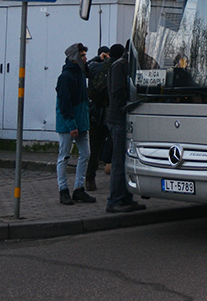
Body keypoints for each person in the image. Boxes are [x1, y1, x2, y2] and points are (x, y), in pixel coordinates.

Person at [106, 42, 146, 214]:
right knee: (119, 161)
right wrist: (131, 103)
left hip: (126, 118)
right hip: (119, 119)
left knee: (127, 160)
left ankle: (126, 198)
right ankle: (114, 200)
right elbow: (117, 93)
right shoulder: (119, 66)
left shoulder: (129, 66)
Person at [55, 42, 96, 205]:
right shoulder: (66, 77)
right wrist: (72, 125)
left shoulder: (79, 73)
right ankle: (63, 190)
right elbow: (65, 104)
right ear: (74, 57)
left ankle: (79, 189)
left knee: (85, 154)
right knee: (64, 156)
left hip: (81, 122)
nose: (85, 58)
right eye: (82, 55)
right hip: (69, 124)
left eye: (85, 55)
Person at [84, 46, 111, 190]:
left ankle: (90, 179)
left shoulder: (93, 67)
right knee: (114, 146)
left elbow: (84, 68)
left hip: (95, 114)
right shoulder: (112, 67)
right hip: (109, 113)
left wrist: (96, 59)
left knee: (95, 149)